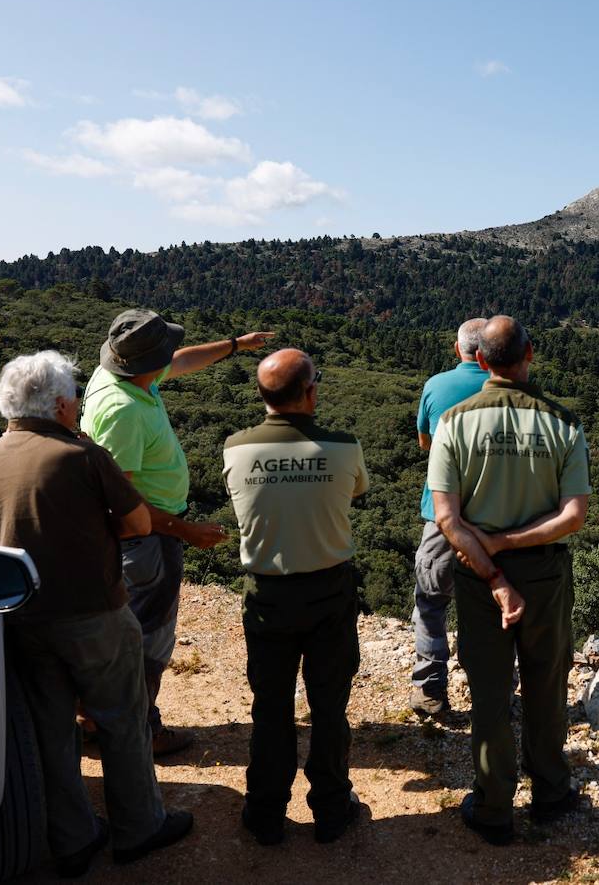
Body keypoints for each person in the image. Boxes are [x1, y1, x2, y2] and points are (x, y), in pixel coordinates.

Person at [0, 351, 193, 877]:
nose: (76, 403)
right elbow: (139, 522)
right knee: (122, 720)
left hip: (22, 613)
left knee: (52, 728)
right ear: (59, 405)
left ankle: (71, 839)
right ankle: (138, 828)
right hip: (92, 610)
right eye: (71, 396)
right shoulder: (80, 456)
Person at [427, 315, 591, 845]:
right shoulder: (562, 423)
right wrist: (513, 544)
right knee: (546, 682)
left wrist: (492, 562)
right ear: (530, 354)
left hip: (477, 576)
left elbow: (448, 521)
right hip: (544, 572)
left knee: (489, 690)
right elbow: (573, 517)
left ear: (479, 360)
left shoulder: (452, 422)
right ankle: (550, 793)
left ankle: (494, 805)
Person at [82, 309, 274, 756]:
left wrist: (235, 345)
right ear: (145, 363)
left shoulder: (126, 374)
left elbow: (183, 360)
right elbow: (119, 501)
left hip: (151, 533)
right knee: (146, 639)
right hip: (146, 539)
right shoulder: (123, 410)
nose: (171, 358)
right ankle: (142, 731)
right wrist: (185, 530)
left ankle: (97, 719)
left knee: (135, 632)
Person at [222, 349, 370, 846]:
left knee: (271, 706)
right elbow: (355, 491)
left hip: (266, 596)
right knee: (329, 706)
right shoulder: (344, 447)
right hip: (329, 592)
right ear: (310, 392)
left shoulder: (235, 448)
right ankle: (331, 808)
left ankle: (264, 813)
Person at [410, 317, 489, 716]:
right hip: (498, 517)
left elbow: (425, 443)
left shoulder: (436, 386)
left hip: (441, 513)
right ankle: (495, 693)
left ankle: (430, 690)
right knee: (493, 604)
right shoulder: (510, 390)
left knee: (431, 600)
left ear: (458, 349)